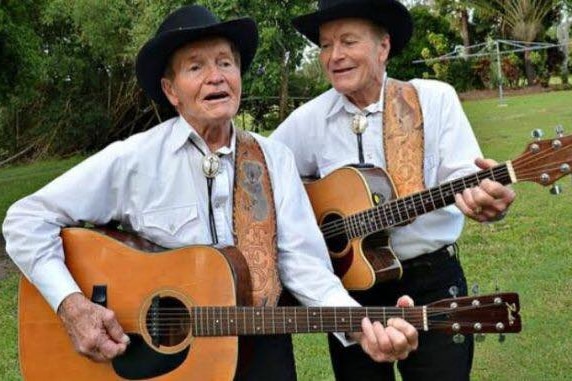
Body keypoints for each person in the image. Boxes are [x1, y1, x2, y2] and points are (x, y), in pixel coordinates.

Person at [2, 4, 419, 381]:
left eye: (225, 63)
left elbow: (304, 265)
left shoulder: (272, 159)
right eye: (196, 67)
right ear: (171, 91)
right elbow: (25, 219)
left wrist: (361, 327)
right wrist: (72, 305)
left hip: (262, 352)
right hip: (160, 363)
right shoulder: (134, 159)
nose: (215, 76)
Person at [271, 0, 516, 380]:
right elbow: (264, 176)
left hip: (431, 280)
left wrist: (489, 201)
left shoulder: (433, 99)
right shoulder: (307, 122)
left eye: (348, 41)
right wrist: (313, 233)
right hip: (351, 292)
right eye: (325, 45)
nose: (335, 56)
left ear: (382, 47)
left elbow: (467, 175)